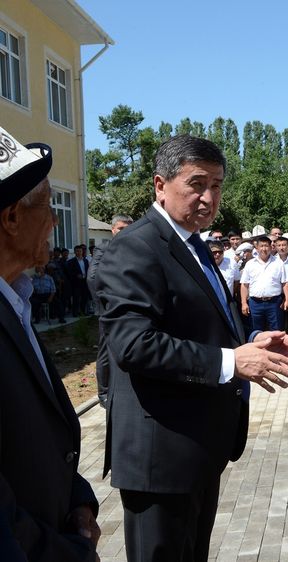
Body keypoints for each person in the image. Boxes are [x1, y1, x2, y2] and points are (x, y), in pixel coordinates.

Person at [96, 135, 288, 560]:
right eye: (197, 184)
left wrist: (251, 343)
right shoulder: (135, 246)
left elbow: (195, 324)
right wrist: (230, 362)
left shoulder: (192, 243)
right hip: (160, 457)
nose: (209, 198)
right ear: (160, 185)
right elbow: (133, 344)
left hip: (197, 448)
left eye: (217, 185)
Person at [0, 125, 101, 559]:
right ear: (11, 218)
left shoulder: (16, 302)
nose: (55, 222)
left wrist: (79, 500)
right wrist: (69, 553)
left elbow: (45, 434)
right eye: (48, 207)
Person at [86, 213, 133, 407]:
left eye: (128, 228)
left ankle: (121, 386)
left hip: (129, 307)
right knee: (106, 350)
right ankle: (103, 392)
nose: (124, 232)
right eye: (121, 228)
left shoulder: (135, 247)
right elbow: (92, 277)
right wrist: (104, 304)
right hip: (109, 309)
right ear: (113, 230)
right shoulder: (104, 248)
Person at [240, 234, 288, 331]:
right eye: (261, 246)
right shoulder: (250, 264)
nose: (264, 249)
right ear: (257, 248)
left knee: (276, 331)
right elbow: (244, 285)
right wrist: (244, 303)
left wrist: (287, 299)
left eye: (266, 246)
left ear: (271, 247)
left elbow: (285, 282)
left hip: (274, 303)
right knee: (256, 331)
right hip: (255, 303)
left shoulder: (278, 263)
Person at [65, 244, 89, 316]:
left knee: (84, 297)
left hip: (84, 281)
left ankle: (83, 311)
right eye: (77, 251)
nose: (79, 252)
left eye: (80, 251)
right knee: (76, 298)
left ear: (82, 252)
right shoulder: (71, 261)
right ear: (75, 252)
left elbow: (87, 270)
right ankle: (75, 312)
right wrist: (76, 275)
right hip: (76, 282)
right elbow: (69, 272)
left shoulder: (86, 261)